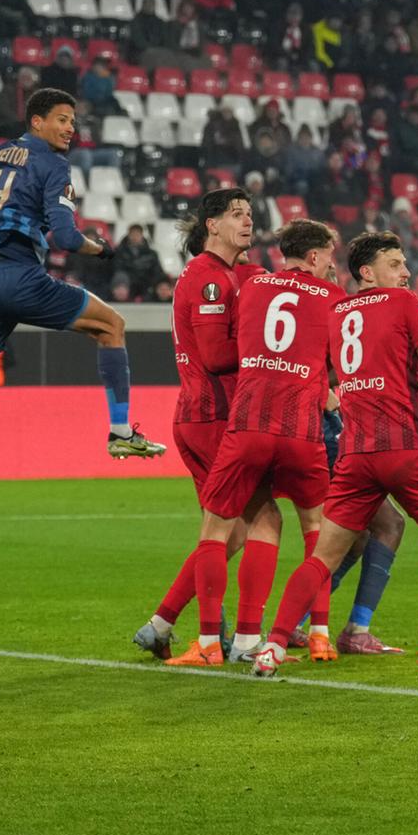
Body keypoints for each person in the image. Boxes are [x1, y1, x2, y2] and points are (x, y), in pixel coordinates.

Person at [0, 89, 165, 559]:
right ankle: (122, 432)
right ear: (38, 120)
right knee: (112, 326)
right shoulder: (52, 164)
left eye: (73, 121)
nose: (71, 128)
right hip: (19, 278)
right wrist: (100, 247)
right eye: (63, 120)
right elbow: (65, 237)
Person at [250, 231, 418, 676]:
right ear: (367, 272)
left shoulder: (335, 311)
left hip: (353, 453)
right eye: (395, 264)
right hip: (403, 445)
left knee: (322, 557)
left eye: (405, 264)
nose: (405, 272)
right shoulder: (404, 304)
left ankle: (271, 648)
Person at [163, 219, 343, 666]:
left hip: (246, 427)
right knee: (315, 529)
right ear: (316, 257)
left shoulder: (253, 288)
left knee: (217, 529)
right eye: (331, 258)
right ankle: (319, 634)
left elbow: (234, 343)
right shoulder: (332, 298)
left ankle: (209, 643)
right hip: (301, 432)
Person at [131, 188, 279, 661]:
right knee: (263, 519)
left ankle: (163, 624)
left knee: (226, 533)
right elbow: (216, 356)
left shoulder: (223, 275)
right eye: (236, 214)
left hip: (202, 414)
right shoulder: (210, 279)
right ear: (211, 225)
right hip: (213, 414)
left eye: (250, 215)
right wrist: (264, 346)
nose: (248, 222)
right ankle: (233, 641)